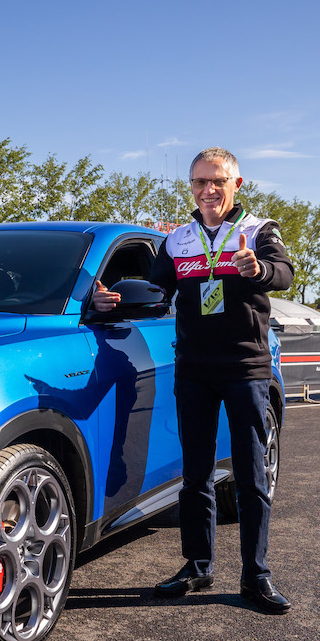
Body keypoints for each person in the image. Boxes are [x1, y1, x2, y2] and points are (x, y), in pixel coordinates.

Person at [94, 147, 294, 613]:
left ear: (236, 185)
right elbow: (156, 292)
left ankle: (256, 577)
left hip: (245, 367)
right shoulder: (178, 240)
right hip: (194, 368)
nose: (208, 191)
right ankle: (198, 566)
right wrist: (113, 302)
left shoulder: (258, 231)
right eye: (200, 182)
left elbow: (283, 273)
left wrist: (259, 269)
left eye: (218, 182)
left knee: (250, 474)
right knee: (196, 476)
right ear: (192, 187)